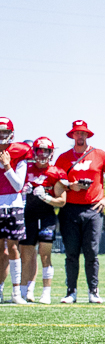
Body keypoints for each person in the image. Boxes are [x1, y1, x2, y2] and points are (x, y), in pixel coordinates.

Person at [55, 120, 105, 304]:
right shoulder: (63, 158)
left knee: (92, 252)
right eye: (77, 133)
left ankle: (93, 291)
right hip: (69, 209)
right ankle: (71, 291)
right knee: (71, 252)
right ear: (72, 135)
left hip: (93, 209)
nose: (80, 136)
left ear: (87, 135)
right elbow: (55, 181)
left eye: (83, 133)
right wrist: (71, 186)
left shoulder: (99, 154)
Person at [19, 137, 68, 304]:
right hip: (28, 215)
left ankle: (46, 292)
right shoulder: (25, 168)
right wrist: (22, 192)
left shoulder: (56, 172)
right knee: (26, 254)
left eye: (46, 151)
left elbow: (62, 201)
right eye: (39, 150)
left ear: (51, 153)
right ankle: (25, 291)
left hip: (46, 216)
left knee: (45, 254)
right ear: (34, 151)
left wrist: (46, 198)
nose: (42, 154)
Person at [0, 117, 33, 304]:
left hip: (13, 204)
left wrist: (7, 165)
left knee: (13, 248)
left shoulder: (19, 152)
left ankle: (15, 292)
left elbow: (18, 184)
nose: (2, 135)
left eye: (5, 131)